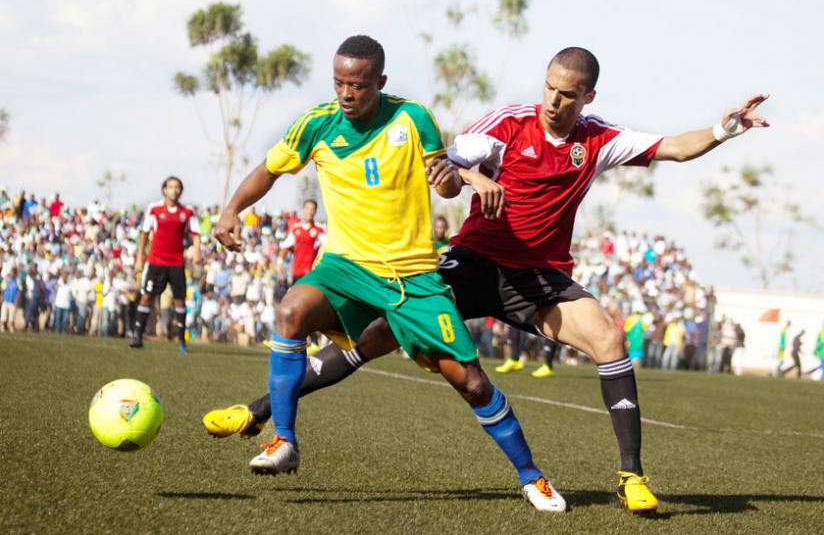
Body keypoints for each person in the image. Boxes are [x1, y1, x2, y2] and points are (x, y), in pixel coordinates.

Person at [205, 46, 768, 513]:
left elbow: (671, 147)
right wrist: (475, 176)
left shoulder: (598, 139)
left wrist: (726, 127)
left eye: (568, 93)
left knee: (609, 339)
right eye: (550, 86)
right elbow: (447, 160)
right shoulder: (509, 123)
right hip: (472, 264)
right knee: (377, 337)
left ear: (587, 97)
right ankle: (261, 412)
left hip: (540, 280)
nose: (554, 99)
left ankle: (631, 477)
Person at [211, 35, 565, 512]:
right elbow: (269, 170)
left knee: (473, 383)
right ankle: (284, 441)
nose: (346, 93)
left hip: (413, 277)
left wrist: (449, 179)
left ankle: (532, 477)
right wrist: (231, 208)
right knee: (292, 310)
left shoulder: (412, 118)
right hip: (346, 267)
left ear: (379, 82)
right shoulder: (316, 124)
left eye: (357, 85)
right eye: (339, 82)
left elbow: (445, 174)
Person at [129, 176, 202, 353]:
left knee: (179, 300)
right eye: (170, 187)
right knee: (147, 296)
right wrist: (140, 257)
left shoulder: (187, 212)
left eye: (177, 187)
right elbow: (145, 234)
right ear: (164, 190)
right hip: (155, 261)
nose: (174, 190)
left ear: (180, 191)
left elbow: (196, 234)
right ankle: (138, 337)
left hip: (176, 262)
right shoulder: (154, 209)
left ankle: (181, 341)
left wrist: (197, 252)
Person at [277, 199, 325, 284]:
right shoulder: (295, 228)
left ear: (315, 212)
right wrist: (280, 263)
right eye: (307, 208)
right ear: (303, 210)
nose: (309, 211)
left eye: (312, 209)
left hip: (312, 273)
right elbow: (285, 247)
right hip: (296, 272)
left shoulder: (320, 229)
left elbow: (329, 246)